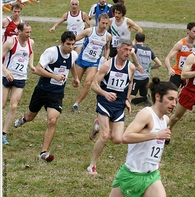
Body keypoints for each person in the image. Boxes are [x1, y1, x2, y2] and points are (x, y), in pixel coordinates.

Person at [106, 78, 178, 197]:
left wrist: (154, 161)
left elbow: (154, 145)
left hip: (151, 176)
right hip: (131, 175)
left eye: (176, 100)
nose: (174, 104)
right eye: (170, 99)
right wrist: (156, 135)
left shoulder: (165, 119)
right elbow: (126, 137)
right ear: (157, 96)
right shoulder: (146, 114)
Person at [14, 31, 80, 161]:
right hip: (42, 90)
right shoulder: (51, 52)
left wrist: (76, 78)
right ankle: (23, 119)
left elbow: (71, 64)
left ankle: (43, 152)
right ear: (61, 43)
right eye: (68, 44)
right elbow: (37, 70)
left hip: (57, 93)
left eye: (73, 44)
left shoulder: (73, 54)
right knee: (30, 116)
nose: (71, 47)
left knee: (52, 120)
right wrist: (54, 76)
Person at [87, 38, 136, 175]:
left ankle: (98, 124)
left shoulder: (131, 67)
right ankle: (92, 166)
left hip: (119, 105)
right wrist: (105, 93)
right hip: (104, 103)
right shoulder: (107, 65)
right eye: (125, 49)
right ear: (118, 49)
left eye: (130, 50)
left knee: (117, 139)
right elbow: (93, 85)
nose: (128, 52)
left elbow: (130, 83)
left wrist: (127, 99)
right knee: (104, 136)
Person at [2, 22, 35, 145]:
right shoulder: (11, 42)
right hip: (6, 77)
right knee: (2, 104)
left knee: (14, 106)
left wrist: (31, 65)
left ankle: (3, 134)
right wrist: (6, 71)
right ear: (19, 31)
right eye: (26, 32)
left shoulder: (31, 42)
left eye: (30, 32)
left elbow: (31, 53)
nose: (29, 34)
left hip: (20, 78)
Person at [71, 13, 112, 113]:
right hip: (82, 60)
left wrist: (106, 57)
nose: (104, 25)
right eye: (103, 23)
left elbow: (107, 48)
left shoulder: (108, 36)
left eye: (106, 24)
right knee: (75, 83)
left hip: (94, 63)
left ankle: (76, 104)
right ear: (98, 22)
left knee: (88, 83)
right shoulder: (89, 31)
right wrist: (69, 47)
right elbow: (74, 39)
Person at [164, 22, 195, 89]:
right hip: (178, 73)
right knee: (170, 92)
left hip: (189, 75)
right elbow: (167, 58)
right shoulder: (180, 44)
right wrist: (169, 69)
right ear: (188, 31)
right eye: (194, 31)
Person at [130, 32, 162, 105]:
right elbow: (159, 64)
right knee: (143, 94)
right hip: (146, 78)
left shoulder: (135, 47)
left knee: (130, 98)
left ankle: (143, 98)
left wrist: (137, 65)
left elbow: (131, 52)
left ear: (135, 40)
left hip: (137, 77)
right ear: (144, 41)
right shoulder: (149, 50)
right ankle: (145, 97)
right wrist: (149, 68)